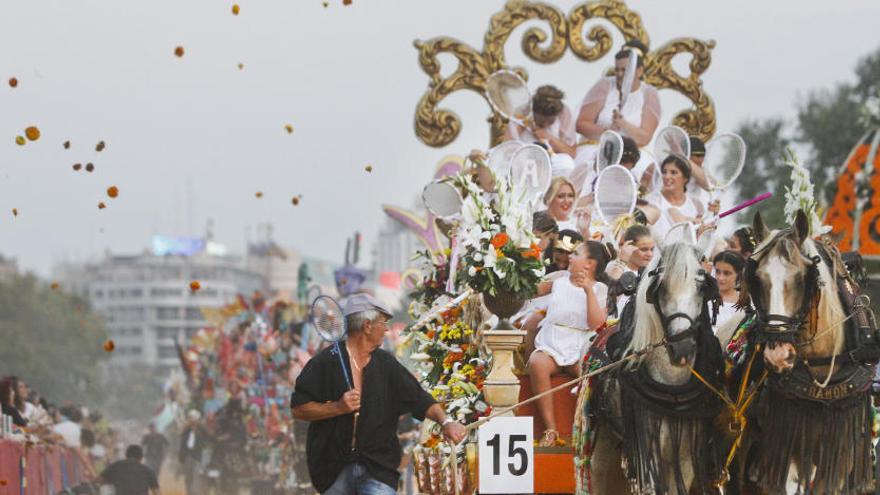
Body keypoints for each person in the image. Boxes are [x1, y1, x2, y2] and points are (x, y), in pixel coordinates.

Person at [291, 293, 466, 495]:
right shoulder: (324, 362)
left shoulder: (386, 364)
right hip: (332, 469)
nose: (386, 329)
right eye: (383, 323)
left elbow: (418, 398)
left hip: (378, 469)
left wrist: (446, 422)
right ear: (367, 326)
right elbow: (299, 408)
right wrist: (337, 407)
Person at [529, 241, 609, 447]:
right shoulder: (559, 280)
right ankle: (550, 429)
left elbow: (597, 323)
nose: (569, 257)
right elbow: (531, 290)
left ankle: (587, 428)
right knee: (537, 362)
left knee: (590, 372)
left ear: (589, 264)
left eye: (576, 253)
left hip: (580, 345)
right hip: (552, 343)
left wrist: (588, 291)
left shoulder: (600, 289)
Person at [573, 40, 661, 190]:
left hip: (633, 152)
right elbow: (581, 124)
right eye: (617, 70)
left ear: (639, 71)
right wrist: (608, 130)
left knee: (649, 173)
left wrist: (624, 125)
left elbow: (645, 137)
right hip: (597, 147)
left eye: (625, 70)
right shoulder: (605, 85)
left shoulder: (649, 94)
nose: (620, 75)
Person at [647, 155, 718, 241]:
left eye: (673, 172)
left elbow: (703, 234)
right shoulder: (651, 200)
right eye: (664, 172)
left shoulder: (696, 204)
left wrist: (714, 213)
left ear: (685, 178)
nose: (666, 176)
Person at [505, 85, 577, 158]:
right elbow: (507, 148)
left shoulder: (564, 114)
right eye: (540, 122)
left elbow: (572, 154)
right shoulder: (523, 112)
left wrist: (549, 138)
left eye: (551, 121)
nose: (545, 125)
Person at [712, 250, 747, 334]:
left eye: (727, 273)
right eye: (717, 272)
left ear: (738, 274)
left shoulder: (746, 303)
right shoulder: (704, 298)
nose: (720, 278)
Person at [178, 410, 208, 495]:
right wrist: (181, 456)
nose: (192, 421)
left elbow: (207, 438)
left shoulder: (201, 429)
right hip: (188, 455)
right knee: (188, 476)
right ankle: (189, 492)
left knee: (195, 475)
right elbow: (183, 443)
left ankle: (195, 492)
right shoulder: (186, 430)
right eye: (190, 419)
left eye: (193, 419)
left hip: (197, 455)